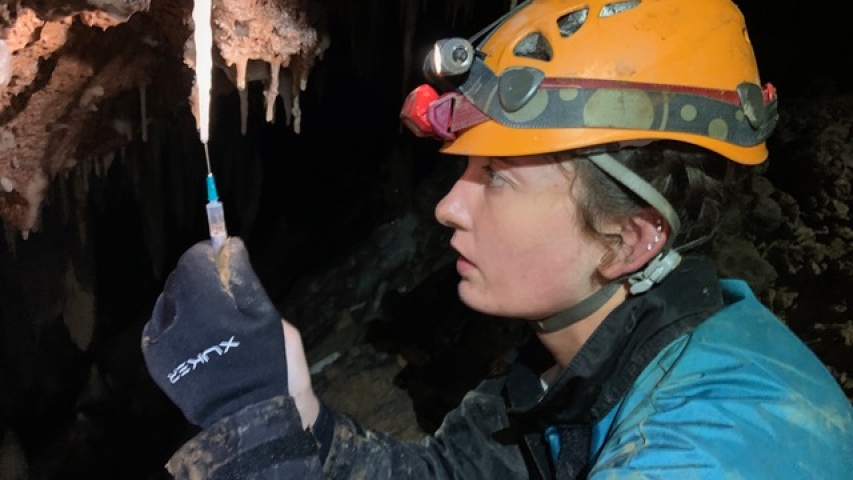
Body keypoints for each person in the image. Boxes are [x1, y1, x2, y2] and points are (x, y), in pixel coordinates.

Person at [141, 0, 853, 478]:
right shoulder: (577, 373)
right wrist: (276, 406)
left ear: (631, 239)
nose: (448, 207)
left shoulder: (719, 442)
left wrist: (262, 453)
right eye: (464, 171)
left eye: (499, 176)